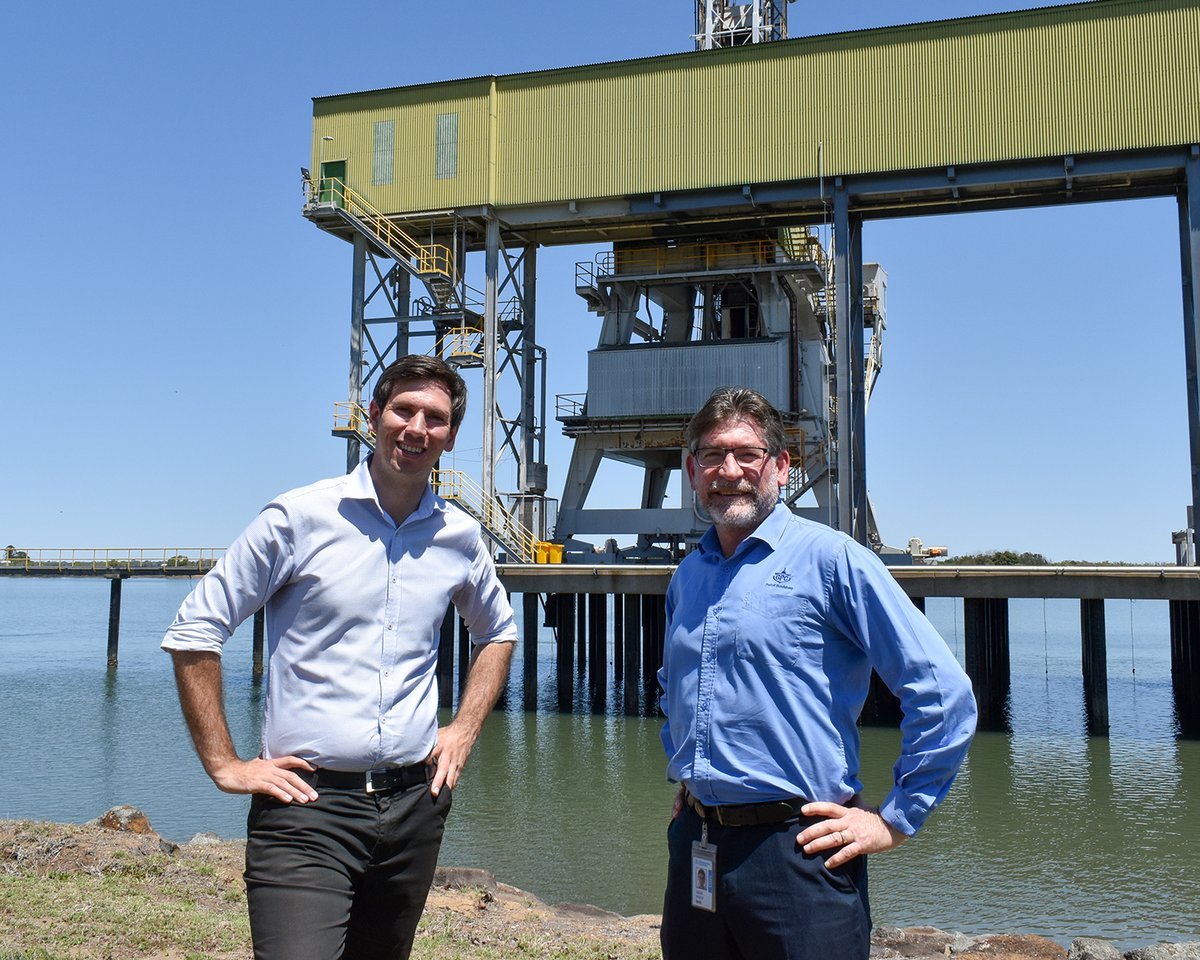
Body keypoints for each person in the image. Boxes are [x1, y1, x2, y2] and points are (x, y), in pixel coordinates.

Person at [162, 354, 517, 960]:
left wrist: (463, 730)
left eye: (435, 418)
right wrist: (225, 764)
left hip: (415, 806)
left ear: (451, 435)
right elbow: (197, 627)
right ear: (373, 416)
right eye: (403, 410)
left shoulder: (459, 536)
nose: (417, 428)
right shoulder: (299, 517)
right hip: (307, 807)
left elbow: (499, 632)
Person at [658, 387, 977, 960]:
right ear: (691, 470)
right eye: (712, 455)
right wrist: (692, 771)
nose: (728, 471)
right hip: (696, 844)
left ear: (781, 467)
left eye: (748, 454)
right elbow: (674, 685)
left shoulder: (832, 560)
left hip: (798, 848)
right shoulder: (689, 575)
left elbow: (943, 692)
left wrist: (895, 820)